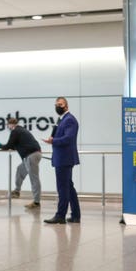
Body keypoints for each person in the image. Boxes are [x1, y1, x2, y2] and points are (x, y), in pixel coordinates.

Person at [42, 96, 81, 224]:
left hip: (65, 158)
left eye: (60, 104)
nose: (57, 106)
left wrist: (53, 141)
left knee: (63, 188)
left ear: (66, 105)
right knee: (69, 187)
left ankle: (60, 215)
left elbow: (68, 138)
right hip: (62, 157)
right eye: (56, 104)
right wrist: (52, 139)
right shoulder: (62, 119)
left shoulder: (69, 120)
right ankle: (75, 215)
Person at [0, 117, 42, 209]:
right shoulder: (21, 130)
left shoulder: (15, 131)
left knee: (34, 178)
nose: (8, 127)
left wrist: (0, 146)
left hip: (31, 156)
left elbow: (9, 145)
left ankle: (36, 202)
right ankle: (16, 191)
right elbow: (17, 145)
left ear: (10, 125)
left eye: (8, 125)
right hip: (32, 155)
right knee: (20, 169)